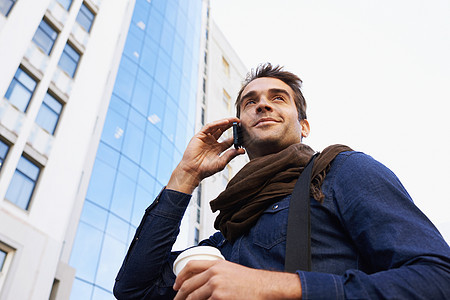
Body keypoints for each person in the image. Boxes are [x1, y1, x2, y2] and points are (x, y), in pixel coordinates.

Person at [113, 63, 450, 299]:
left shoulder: (341, 171)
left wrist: (272, 287)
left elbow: (438, 278)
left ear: (304, 126)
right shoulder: (225, 239)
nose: (262, 104)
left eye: (278, 98)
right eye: (250, 102)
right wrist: (186, 175)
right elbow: (134, 290)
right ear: (238, 133)